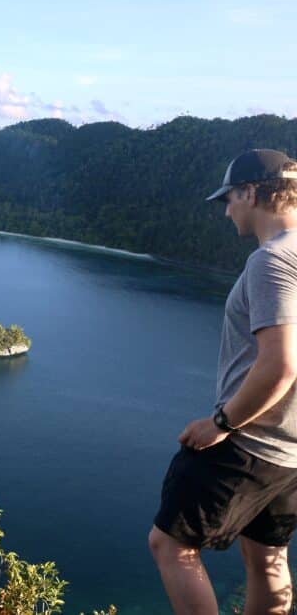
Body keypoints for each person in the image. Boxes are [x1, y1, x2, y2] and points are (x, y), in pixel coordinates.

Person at [149, 148, 297, 614]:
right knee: (266, 557)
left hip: (251, 442)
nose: (226, 209)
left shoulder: (271, 261)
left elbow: (280, 365)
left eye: (229, 198)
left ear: (252, 192)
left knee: (170, 545)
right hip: (292, 452)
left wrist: (222, 423)